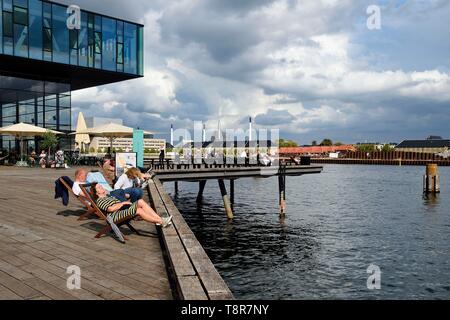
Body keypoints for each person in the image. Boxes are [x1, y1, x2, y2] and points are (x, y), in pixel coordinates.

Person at [94, 183, 172, 227]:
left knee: (140, 201)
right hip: (115, 216)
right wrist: (123, 203)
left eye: (101, 186)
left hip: (122, 210)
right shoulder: (100, 200)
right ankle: (161, 221)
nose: (101, 187)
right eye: (99, 187)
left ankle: (159, 219)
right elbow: (110, 209)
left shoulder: (109, 196)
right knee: (139, 210)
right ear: (97, 193)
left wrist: (124, 203)